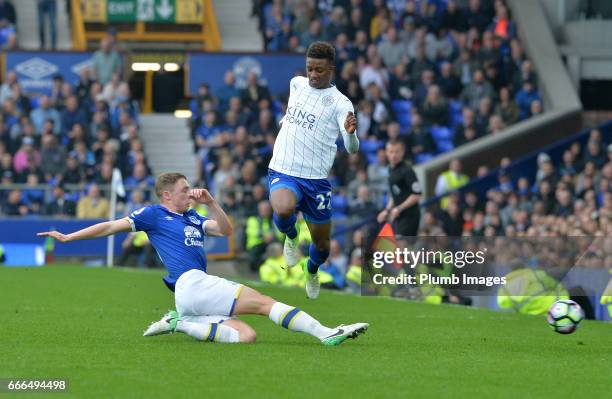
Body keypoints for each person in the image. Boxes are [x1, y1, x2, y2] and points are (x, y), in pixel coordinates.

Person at [37, 173, 368, 345]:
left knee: (247, 336)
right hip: (191, 283)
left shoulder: (193, 217)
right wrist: (68, 237)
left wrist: (210, 201)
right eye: (184, 190)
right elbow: (112, 226)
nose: (189, 192)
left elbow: (225, 230)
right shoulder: (153, 214)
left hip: (190, 295)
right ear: (167, 195)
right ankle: (326, 333)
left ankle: (179, 322)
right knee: (265, 302)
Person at [268, 41, 359, 299]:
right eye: (310, 68)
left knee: (322, 246)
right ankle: (292, 236)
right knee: (283, 209)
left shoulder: (341, 103)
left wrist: (351, 135)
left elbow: (352, 149)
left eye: (319, 70)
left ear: (331, 68)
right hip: (284, 169)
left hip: (316, 180)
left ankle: (312, 269)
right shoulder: (296, 84)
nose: (313, 75)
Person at [376, 140, 422, 236]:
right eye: (391, 152)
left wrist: (400, 208)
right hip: (398, 215)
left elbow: (417, 195)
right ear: (386, 153)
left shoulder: (407, 170)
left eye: (397, 152)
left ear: (402, 152)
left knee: (403, 246)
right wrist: (387, 210)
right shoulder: (390, 169)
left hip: (410, 216)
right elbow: (395, 193)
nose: (394, 155)